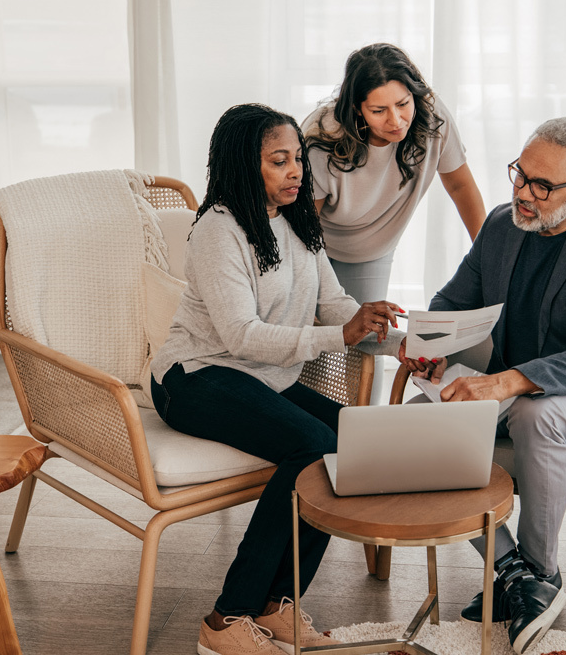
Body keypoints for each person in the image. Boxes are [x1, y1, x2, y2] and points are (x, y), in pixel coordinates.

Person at [399, 117, 566, 655]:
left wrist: (508, 383)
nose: (523, 193)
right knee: (425, 414)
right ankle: (517, 575)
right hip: (516, 385)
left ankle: (542, 570)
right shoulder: (501, 225)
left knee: (535, 414)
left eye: (542, 186)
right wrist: (429, 346)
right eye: (520, 174)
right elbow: (454, 304)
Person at [149, 103, 403, 655]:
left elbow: (335, 303)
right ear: (246, 164)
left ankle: (276, 604)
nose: (295, 172)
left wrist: (404, 344)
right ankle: (226, 619)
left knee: (354, 447)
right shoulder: (218, 231)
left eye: (296, 160)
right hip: (195, 376)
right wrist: (340, 337)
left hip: (266, 379)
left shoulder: (298, 223)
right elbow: (241, 335)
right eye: (278, 161)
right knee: (314, 446)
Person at [303, 43, 487, 306]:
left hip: (371, 250)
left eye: (403, 104)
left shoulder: (433, 119)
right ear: (357, 108)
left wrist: (486, 258)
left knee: (362, 340)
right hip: (312, 242)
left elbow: (460, 186)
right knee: (313, 331)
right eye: (378, 111)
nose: (396, 121)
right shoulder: (323, 137)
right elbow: (304, 224)